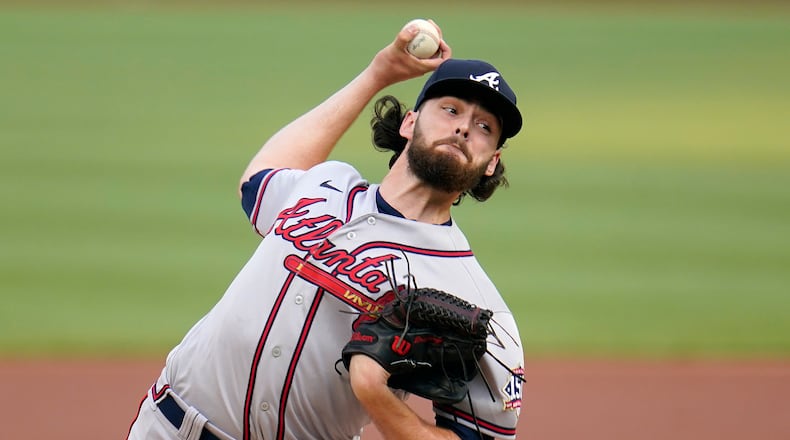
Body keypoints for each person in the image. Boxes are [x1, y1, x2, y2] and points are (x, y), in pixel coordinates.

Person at [128, 19, 524, 440]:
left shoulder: (474, 299)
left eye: (485, 127)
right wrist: (377, 74)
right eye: (451, 109)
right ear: (409, 124)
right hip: (168, 426)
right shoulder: (325, 183)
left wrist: (377, 395)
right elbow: (256, 181)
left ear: (492, 162)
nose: (464, 127)